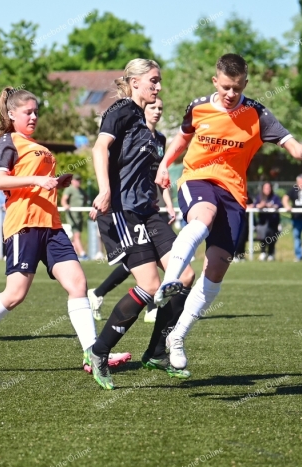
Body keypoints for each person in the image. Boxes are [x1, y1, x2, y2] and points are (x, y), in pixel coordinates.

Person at [154, 53, 302, 372]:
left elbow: (294, 147)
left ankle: (177, 337)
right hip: (198, 180)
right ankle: (169, 283)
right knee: (203, 217)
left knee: (218, 267)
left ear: (245, 84)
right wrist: (165, 165)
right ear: (215, 81)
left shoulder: (258, 115)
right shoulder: (198, 107)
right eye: (225, 87)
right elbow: (181, 140)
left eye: (236, 88)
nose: (230, 94)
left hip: (234, 195)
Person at [0, 86, 125, 376]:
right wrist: (38, 181)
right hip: (24, 225)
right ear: (12, 114)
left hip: (51, 225)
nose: (34, 117)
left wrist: (56, 182)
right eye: (27, 112)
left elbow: (33, 181)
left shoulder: (36, 145)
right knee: (15, 293)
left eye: (36, 112)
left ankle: (93, 353)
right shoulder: (8, 141)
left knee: (77, 284)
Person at [87, 59, 196, 389]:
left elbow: (152, 176)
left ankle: (156, 352)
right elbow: (99, 149)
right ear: (134, 83)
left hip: (150, 213)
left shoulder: (155, 135)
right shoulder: (120, 111)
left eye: (159, 81)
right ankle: (99, 352)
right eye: (153, 81)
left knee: (185, 275)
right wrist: (105, 190)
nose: (158, 87)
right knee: (149, 285)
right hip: (122, 211)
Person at [86, 97, 174, 324]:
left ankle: (99, 294)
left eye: (160, 107)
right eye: (153, 106)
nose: (157, 110)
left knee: (161, 265)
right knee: (145, 268)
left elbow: (160, 178)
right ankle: (150, 306)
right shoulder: (131, 133)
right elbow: (114, 167)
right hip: (126, 210)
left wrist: (169, 205)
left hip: (149, 210)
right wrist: (104, 196)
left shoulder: (161, 140)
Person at [251, 182, 281, 261]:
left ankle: (271, 253)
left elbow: (279, 205)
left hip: (273, 222)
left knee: (272, 237)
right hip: (262, 222)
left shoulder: (275, 197)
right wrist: (261, 205)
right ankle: (263, 252)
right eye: (266, 188)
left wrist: (272, 206)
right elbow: (254, 205)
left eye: (269, 188)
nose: (267, 190)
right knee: (262, 236)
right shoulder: (259, 197)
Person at [61, 174, 88, 259]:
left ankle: (74, 254)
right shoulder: (69, 189)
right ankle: (83, 254)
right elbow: (63, 200)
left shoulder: (81, 190)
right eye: (76, 180)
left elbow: (86, 198)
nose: (78, 181)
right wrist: (65, 205)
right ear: (72, 181)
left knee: (75, 236)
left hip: (79, 216)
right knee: (76, 235)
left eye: (79, 180)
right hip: (72, 216)